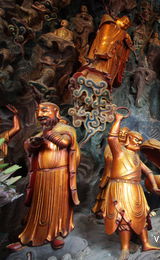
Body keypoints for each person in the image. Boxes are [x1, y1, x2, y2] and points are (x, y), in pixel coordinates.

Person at [19, 102, 80, 249]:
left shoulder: (66, 129)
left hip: (59, 174)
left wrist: (48, 133)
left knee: (57, 205)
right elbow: (28, 148)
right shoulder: (40, 133)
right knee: (39, 206)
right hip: (41, 176)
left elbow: (65, 142)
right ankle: (31, 236)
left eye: (44, 110)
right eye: (38, 111)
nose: (40, 114)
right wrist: (32, 144)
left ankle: (57, 234)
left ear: (56, 112)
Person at [104, 111, 160, 259]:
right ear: (128, 139)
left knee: (142, 215)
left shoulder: (136, 157)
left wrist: (154, 186)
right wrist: (117, 120)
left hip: (136, 188)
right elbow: (112, 138)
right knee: (123, 217)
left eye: (140, 140)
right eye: (136, 139)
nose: (138, 143)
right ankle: (125, 248)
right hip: (120, 187)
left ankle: (146, 243)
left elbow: (148, 172)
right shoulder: (119, 152)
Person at [92, 127, 130, 217]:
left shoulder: (130, 149)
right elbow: (108, 161)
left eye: (125, 134)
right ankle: (104, 210)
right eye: (120, 132)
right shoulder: (110, 147)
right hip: (111, 174)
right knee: (108, 193)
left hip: (124, 178)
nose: (122, 135)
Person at [86, 14, 132, 89]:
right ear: (119, 19)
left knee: (110, 73)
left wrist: (126, 38)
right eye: (125, 21)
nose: (126, 24)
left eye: (127, 25)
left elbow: (129, 46)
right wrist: (123, 34)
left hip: (115, 57)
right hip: (105, 54)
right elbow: (105, 38)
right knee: (100, 68)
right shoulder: (110, 25)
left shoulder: (123, 34)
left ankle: (106, 83)